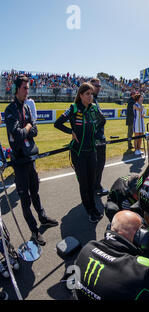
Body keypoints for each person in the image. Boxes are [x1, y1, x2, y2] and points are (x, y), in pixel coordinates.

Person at [4, 75, 58, 246]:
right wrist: (27, 126)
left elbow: (35, 131)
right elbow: (19, 135)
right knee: (25, 198)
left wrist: (27, 128)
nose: (27, 91)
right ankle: (34, 232)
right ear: (16, 89)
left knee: (35, 190)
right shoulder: (10, 110)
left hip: (30, 157)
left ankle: (42, 217)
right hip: (19, 161)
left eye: (28, 88)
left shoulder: (27, 108)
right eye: (24, 88)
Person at [54, 82, 103, 223]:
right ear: (80, 95)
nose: (90, 97)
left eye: (92, 94)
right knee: (84, 184)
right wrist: (71, 131)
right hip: (78, 153)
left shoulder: (94, 108)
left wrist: (95, 132)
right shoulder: (74, 108)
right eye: (87, 94)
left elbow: (102, 121)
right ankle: (89, 210)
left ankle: (93, 207)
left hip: (92, 151)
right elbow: (57, 123)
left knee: (92, 182)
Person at [89, 78, 108, 197]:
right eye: (96, 85)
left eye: (99, 86)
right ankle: (96, 186)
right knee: (98, 163)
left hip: (98, 137)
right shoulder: (91, 100)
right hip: (96, 138)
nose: (98, 87)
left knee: (99, 164)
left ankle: (96, 185)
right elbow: (99, 120)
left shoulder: (94, 99)